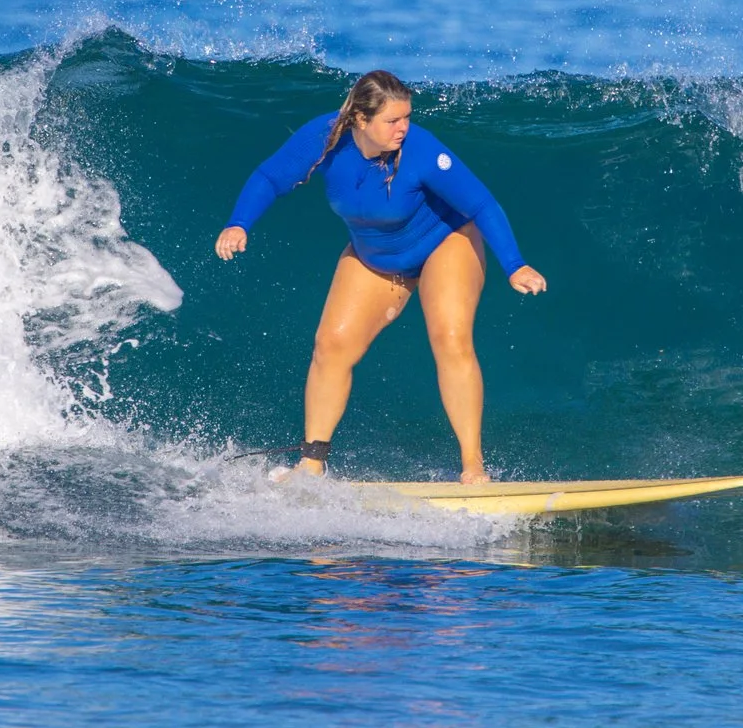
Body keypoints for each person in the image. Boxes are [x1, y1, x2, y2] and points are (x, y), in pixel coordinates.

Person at [215, 70, 545, 483]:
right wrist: (239, 223)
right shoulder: (325, 139)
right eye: (393, 120)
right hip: (377, 257)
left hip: (445, 242)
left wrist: (514, 265)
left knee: (450, 337)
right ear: (360, 120)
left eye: (407, 117)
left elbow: (481, 203)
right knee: (330, 346)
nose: (404, 128)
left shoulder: (421, 150)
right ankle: (312, 463)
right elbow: (270, 177)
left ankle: (473, 467)